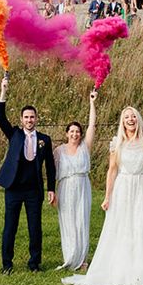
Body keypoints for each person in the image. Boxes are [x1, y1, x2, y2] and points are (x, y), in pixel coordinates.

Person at [62, 107, 143, 285]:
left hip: (142, 188)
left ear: (138, 119)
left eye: (133, 117)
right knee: (122, 229)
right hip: (122, 188)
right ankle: (120, 271)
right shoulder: (117, 144)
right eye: (126, 117)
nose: (130, 119)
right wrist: (107, 197)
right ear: (122, 122)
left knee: (142, 227)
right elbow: (112, 170)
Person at [0, 73, 56, 274]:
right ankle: (7, 264)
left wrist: (51, 189)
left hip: (33, 190)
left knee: (35, 228)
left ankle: (34, 263)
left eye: (32, 117)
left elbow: (50, 166)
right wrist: (3, 90)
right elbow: (0, 117)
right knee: (9, 227)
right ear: (21, 120)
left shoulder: (45, 139)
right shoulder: (14, 134)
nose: (29, 120)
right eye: (26, 117)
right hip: (13, 188)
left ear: (36, 119)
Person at [54, 90, 98, 271]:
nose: (75, 134)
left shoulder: (84, 148)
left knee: (81, 220)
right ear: (66, 133)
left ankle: (83, 260)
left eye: (77, 131)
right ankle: (70, 257)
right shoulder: (58, 151)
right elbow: (51, 172)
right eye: (71, 131)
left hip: (82, 186)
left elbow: (92, 126)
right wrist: (52, 192)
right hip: (65, 187)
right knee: (67, 221)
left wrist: (92, 103)